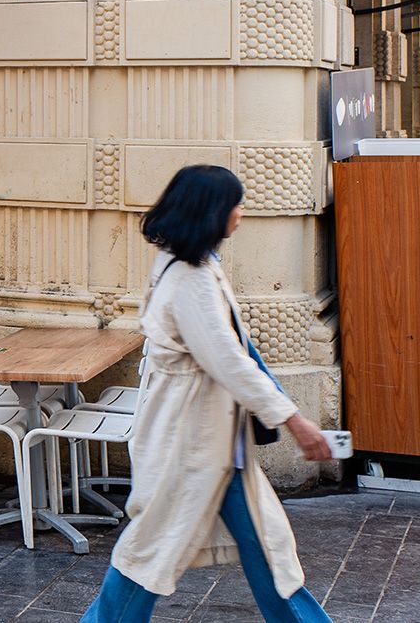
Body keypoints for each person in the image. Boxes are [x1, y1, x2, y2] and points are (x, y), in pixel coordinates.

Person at [80, 165, 337, 623]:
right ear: (212, 212)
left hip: (215, 444)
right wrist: (295, 421)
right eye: (235, 204)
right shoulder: (190, 280)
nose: (241, 213)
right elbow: (230, 361)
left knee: (266, 549)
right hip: (191, 444)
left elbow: (237, 352)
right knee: (152, 553)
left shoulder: (187, 264)